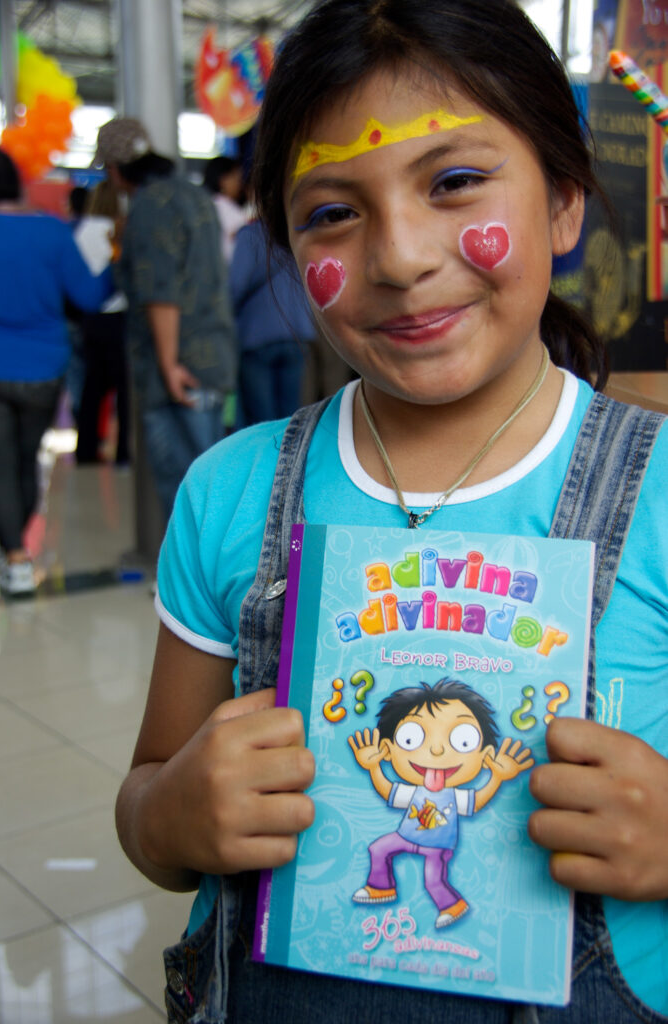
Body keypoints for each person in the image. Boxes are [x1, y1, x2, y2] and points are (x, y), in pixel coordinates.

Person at [115, 2, 668, 1022]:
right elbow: (148, 790)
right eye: (333, 211)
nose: (401, 257)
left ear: (563, 204)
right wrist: (168, 818)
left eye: (453, 183)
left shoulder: (661, 492)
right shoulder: (230, 492)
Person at [0, 146, 113, 596]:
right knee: (26, 459)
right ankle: (16, 547)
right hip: (43, 367)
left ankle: (15, 556)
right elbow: (90, 296)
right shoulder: (52, 232)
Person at [94, 118, 237, 522]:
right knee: (210, 485)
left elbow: (161, 292)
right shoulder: (195, 196)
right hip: (214, 356)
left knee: (184, 497)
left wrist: (169, 363)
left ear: (116, 170)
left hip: (178, 370)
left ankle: (192, 570)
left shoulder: (149, 207)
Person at [349, 678, 533, 923]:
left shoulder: (453, 795)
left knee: (433, 880)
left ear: (485, 755)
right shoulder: (414, 791)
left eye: (463, 741)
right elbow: (389, 792)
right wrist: (374, 768)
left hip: (437, 844)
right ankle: (380, 887)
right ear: (388, 749)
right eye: (410, 738)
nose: (437, 750)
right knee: (378, 849)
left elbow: (476, 802)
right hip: (406, 836)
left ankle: (452, 906)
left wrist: (497, 778)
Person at [230, 216, 317, 425]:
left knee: (263, 421)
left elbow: (235, 286)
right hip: (296, 332)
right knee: (291, 417)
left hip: (257, 335)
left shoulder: (250, 235)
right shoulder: (298, 230)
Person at [73, 180, 130, 465]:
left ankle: (85, 450)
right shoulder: (117, 232)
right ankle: (123, 453)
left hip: (90, 317)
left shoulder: (80, 231)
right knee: (124, 388)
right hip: (118, 314)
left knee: (92, 388)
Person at [203, 155, 248, 264]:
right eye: (236, 177)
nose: (239, 183)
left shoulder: (204, 205)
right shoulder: (225, 208)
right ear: (223, 179)